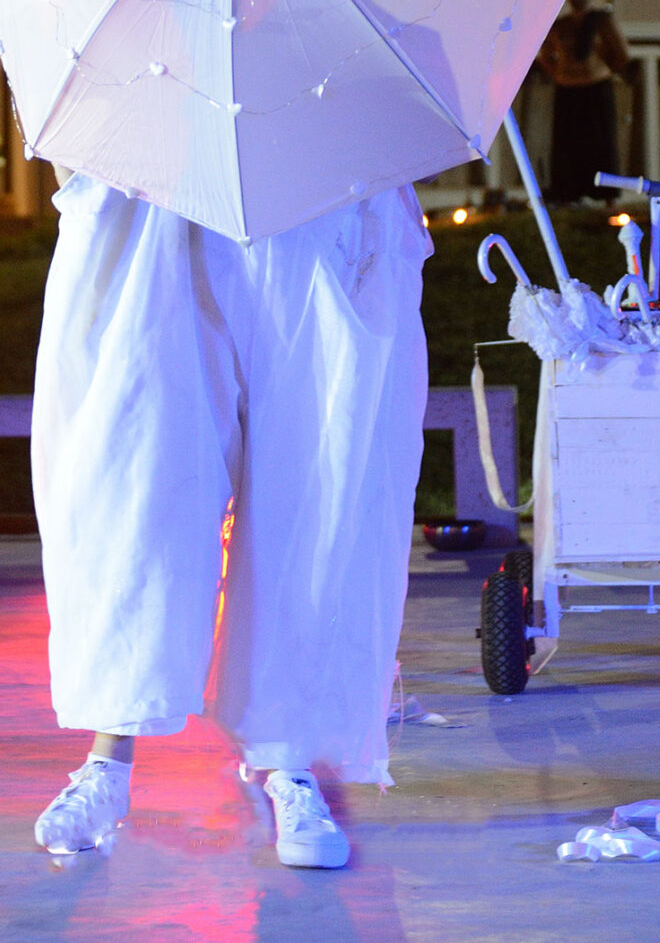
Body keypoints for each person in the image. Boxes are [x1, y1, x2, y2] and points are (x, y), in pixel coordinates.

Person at [27, 173, 433, 868]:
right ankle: (109, 756)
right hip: (159, 194)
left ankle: (289, 758)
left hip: (317, 196)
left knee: (314, 499)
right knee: (134, 493)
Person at [537, 0, 630, 202]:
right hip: (568, 89)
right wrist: (559, 73)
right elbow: (545, 53)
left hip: (596, 88)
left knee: (600, 143)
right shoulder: (560, 26)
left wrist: (602, 70)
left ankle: (606, 194)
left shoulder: (601, 21)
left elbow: (621, 54)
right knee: (569, 145)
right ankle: (569, 194)